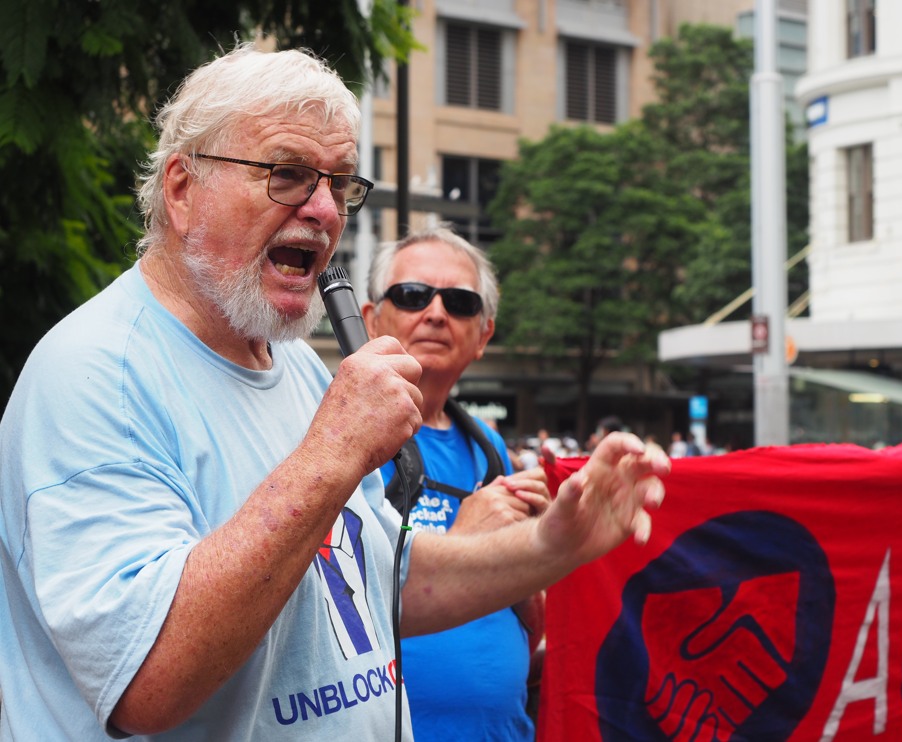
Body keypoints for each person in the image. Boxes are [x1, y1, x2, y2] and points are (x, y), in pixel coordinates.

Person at [0, 45, 669, 741]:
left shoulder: (295, 364)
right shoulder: (95, 375)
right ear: (181, 190)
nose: (323, 209)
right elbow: (144, 680)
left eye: (340, 183)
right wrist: (333, 452)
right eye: (286, 174)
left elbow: (380, 581)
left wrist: (553, 544)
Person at [361, 227, 549, 741]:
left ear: (484, 334)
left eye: (460, 302)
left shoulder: (490, 448)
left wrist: (541, 546)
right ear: (371, 319)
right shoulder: (336, 434)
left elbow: (529, 608)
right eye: (413, 295)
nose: (437, 313)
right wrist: (466, 538)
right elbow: (326, 600)